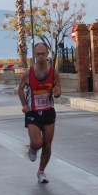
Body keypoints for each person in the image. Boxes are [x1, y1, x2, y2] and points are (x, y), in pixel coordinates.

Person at [18, 43, 61, 183]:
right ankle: (32, 148)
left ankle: (41, 171)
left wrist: (57, 92)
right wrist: (24, 104)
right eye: (38, 54)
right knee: (37, 143)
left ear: (47, 54)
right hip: (33, 113)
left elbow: (58, 90)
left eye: (43, 54)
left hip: (48, 111)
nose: (41, 56)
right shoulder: (28, 73)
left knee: (47, 145)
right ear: (34, 55)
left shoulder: (54, 72)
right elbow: (20, 89)